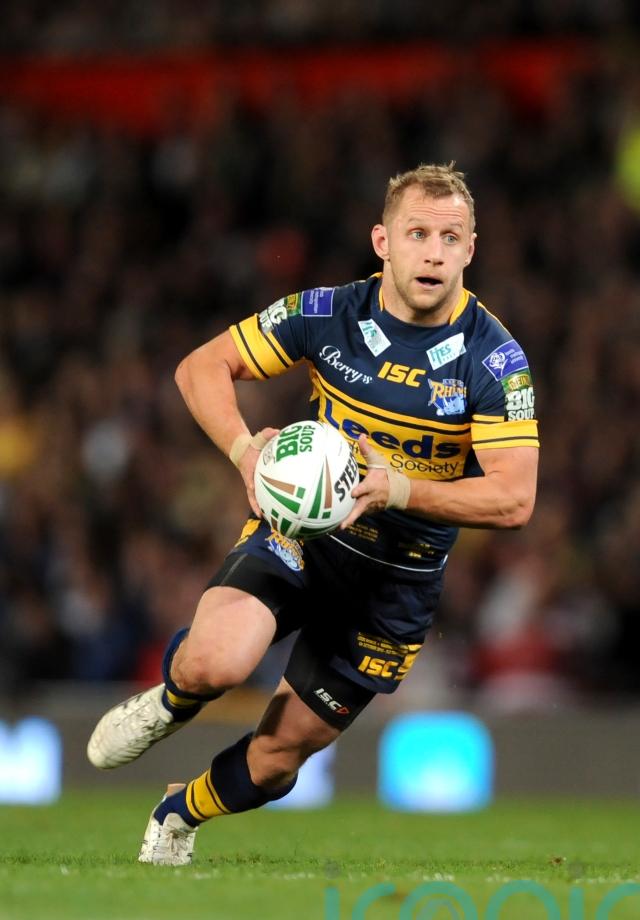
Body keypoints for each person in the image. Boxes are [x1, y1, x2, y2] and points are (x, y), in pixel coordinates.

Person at [87, 162, 539, 865]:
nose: (433, 253)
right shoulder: (328, 313)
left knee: (275, 761)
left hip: (395, 583)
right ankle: (173, 700)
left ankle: (180, 811)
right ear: (382, 242)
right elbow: (199, 367)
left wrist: (399, 490)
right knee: (216, 663)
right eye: (417, 234)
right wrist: (245, 453)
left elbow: (514, 497)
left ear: (470, 250)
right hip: (304, 534)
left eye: (450, 238)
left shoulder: (495, 359)